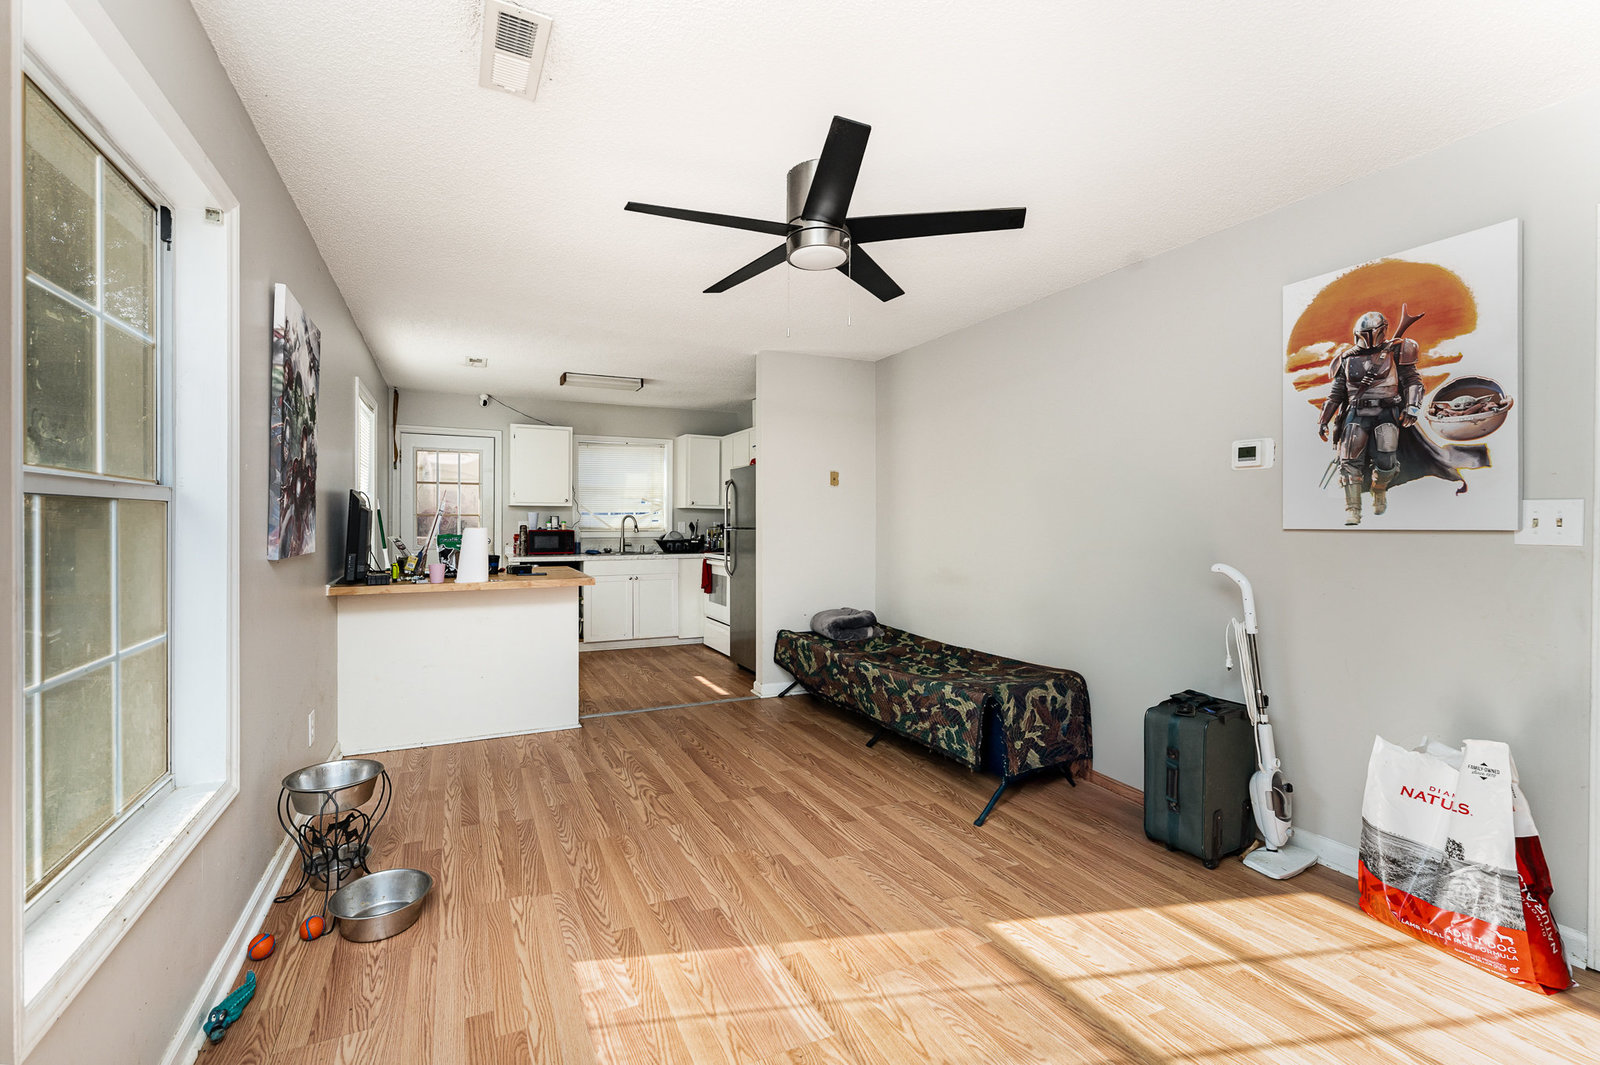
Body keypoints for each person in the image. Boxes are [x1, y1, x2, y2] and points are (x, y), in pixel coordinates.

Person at [1317, 310, 1425, 525]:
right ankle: (1353, 510)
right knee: (1349, 463)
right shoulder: (1346, 358)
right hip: (1356, 413)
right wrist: (1323, 420)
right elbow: (1336, 393)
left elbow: (1413, 381)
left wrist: (1412, 407)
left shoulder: (1397, 350)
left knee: (1386, 462)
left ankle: (1379, 489)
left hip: (1386, 413)